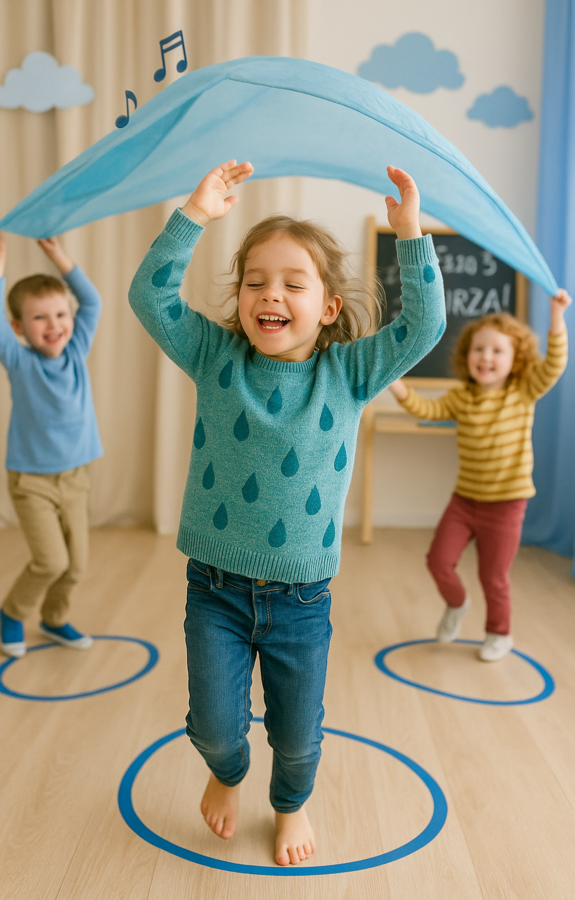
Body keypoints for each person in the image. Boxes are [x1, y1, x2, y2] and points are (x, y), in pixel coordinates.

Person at [129, 160, 445, 866]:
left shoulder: (350, 372)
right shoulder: (216, 356)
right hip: (213, 587)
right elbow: (149, 296)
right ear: (239, 297)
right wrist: (195, 215)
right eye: (254, 282)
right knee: (214, 727)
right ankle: (226, 773)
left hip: (302, 600)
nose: (270, 295)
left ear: (328, 307)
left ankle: (290, 803)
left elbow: (425, 326)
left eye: (293, 284)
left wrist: (410, 235)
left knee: (298, 736)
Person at [389, 294, 570, 662]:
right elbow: (426, 408)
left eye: (497, 351)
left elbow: (554, 364)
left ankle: (499, 633)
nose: (486, 357)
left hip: (506, 505)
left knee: (494, 576)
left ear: (516, 359)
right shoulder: (461, 397)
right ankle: (457, 604)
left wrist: (556, 314)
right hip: (465, 501)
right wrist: (394, 381)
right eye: (478, 349)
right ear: (467, 356)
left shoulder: (523, 391)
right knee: (438, 561)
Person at [0, 228, 103, 658]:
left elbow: (92, 302)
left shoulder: (77, 349)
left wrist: (60, 259)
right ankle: (13, 611)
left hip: (75, 477)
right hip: (32, 481)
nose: (54, 325)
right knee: (50, 561)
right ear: (19, 327)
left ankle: (54, 619)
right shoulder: (19, 360)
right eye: (40, 318)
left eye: (59, 315)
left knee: (76, 566)